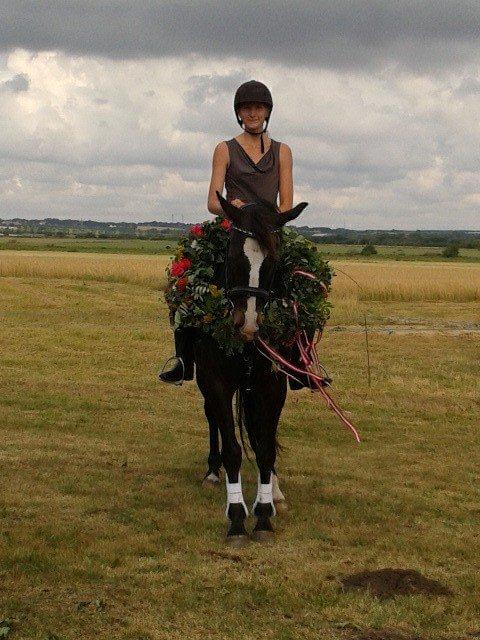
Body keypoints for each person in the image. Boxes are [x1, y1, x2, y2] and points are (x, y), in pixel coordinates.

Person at [159, 79, 294, 384]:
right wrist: (232, 207)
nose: (253, 113)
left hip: (268, 231)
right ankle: (183, 361)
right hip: (232, 227)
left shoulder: (284, 152)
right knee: (187, 282)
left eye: (258, 107)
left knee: (300, 284)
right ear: (238, 113)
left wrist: (268, 219)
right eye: (247, 108)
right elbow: (211, 201)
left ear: (267, 111)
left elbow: (285, 203)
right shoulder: (224, 149)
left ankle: (301, 363)